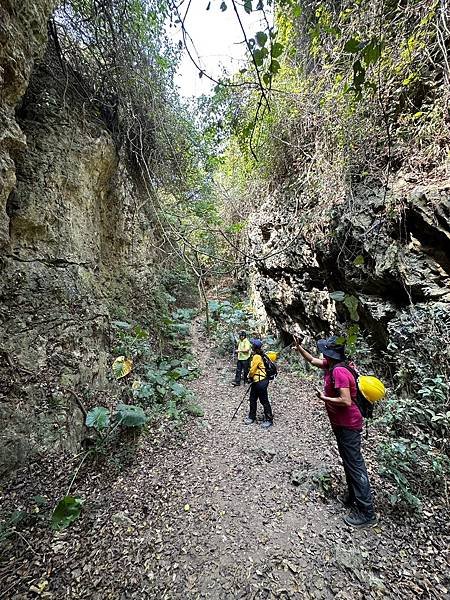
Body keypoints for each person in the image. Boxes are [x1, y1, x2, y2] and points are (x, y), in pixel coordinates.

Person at [294, 335, 377, 528]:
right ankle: (352, 497)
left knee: (355, 464)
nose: (322, 353)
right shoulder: (334, 364)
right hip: (341, 423)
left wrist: (324, 398)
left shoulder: (339, 371)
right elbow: (314, 361)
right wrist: (299, 349)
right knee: (348, 461)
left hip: (348, 423)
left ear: (330, 353)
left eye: (324, 351)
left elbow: (346, 400)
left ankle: (367, 512)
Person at [245, 338, 273, 429]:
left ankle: (269, 419)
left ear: (254, 347)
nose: (251, 346)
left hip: (260, 382)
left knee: (263, 400)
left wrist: (248, 376)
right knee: (252, 399)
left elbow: (253, 370)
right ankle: (251, 416)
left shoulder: (257, 356)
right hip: (258, 381)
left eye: (252, 345)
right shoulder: (261, 354)